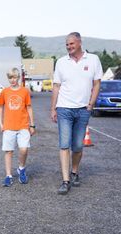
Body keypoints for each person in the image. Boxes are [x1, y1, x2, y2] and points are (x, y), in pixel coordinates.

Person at [51, 32, 102, 195]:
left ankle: (74, 171)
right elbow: (56, 86)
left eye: (71, 44)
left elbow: (97, 83)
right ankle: (65, 181)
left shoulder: (93, 59)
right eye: (67, 44)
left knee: (78, 146)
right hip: (64, 108)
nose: (69, 47)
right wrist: (53, 108)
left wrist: (91, 104)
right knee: (64, 144)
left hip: (83, 110)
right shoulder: (61, 62)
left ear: (79, 43)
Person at [0, 67, 35, 187]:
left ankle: (21, 168)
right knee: (8, 151)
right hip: (8, 126)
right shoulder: (5, 92)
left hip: (23, 126)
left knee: (24, 149)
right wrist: (1, 123)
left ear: (18, 77)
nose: (12, 80)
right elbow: (0, 107)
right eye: (10, 78)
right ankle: (8, 175)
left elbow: (29, 107)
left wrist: (32, 124)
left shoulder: (24, 91)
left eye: (14, 77)